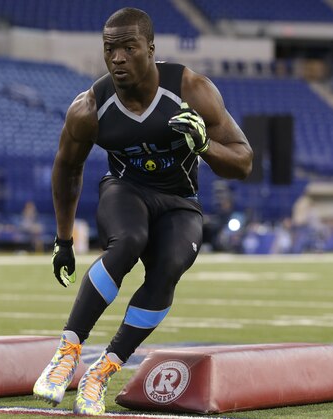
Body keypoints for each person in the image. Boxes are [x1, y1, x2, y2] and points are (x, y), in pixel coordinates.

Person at [32, 7, 253, 416]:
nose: (117, 58)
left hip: (179, 201)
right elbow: (67, 169)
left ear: (150, 50)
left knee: (170, 265)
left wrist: (205, 145)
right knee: (128, 240)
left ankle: (100, 374)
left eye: (128, 48)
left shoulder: (191, 89)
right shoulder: (88, 109)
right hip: (126, 190)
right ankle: (67, 354)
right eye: (109, 49)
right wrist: (63, 240)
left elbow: (243, 162)